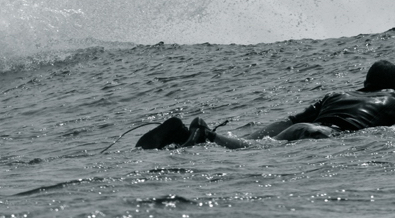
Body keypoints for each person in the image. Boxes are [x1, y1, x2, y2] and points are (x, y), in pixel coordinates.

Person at [137, 59, 395, 149]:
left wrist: (247, 135)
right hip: (321, 136)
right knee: (256, 152)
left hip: (304, 128)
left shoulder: (336, 94)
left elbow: (289, 122)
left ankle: (197, 136)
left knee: (255, 147)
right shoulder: (393, 98)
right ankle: (208, 135)